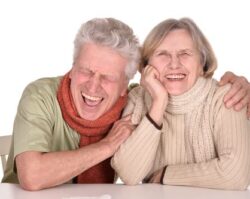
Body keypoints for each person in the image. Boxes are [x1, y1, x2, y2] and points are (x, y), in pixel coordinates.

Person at [1, 17, 250, 191]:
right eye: (86, 71)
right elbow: (32, 177)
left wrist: (242, 86)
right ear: (72, 67)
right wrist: (107, 146)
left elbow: (236, 172)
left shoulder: (133, 100)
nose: (93, 87)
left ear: (125, 85)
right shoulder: (40, 95)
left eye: (108, 78)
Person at [111, 18, 250, 190]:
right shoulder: (137, 99)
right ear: (147, 66)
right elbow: (129, 174)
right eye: (162, 54)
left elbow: (236, 175)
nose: (174, 64)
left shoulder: (227, 96)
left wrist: (166, 175)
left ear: (201, 64)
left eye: (185, 53)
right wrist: (159, 103)